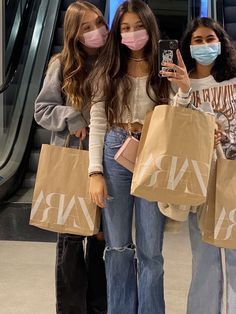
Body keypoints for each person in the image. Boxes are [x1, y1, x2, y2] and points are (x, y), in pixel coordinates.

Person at [88, 1, 192, 313]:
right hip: (114, 149)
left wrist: (183, 89)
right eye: (126, 28)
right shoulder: (108, 68)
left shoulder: (164, 66)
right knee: (117, 246)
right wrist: (95, 172)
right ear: (118, 32)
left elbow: (176, 120)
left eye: (139, 26)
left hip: (153, 152)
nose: (133, 33)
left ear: (150, 27)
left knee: (151, 250)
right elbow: (97, 120)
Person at [34, 2, 108, 314]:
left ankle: (98, 307)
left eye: (99, 23)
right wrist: (73, 116)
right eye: (87, 27)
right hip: (75, 161)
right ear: (74, 33)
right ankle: (72, 309)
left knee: (103, 238)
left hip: (108, 163)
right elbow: (42, 109)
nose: (96, 32)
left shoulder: (113, 60)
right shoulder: (62, 63)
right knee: (73, 236)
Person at [180, 17, 236, 314]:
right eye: (197, 40)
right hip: (200, 179)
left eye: (209, 39)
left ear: (221, 41)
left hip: (233, 176)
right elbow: (176, 128)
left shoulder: (234, 76)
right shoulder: (184, 82)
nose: (204, 45)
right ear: (188, 47)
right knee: (204, 257)